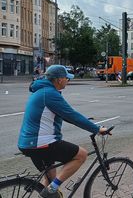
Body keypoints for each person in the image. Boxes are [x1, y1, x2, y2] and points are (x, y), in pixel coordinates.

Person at [18, 65, 107, 198]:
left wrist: (85, 122)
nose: (68, 80)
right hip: (40, 142)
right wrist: (97, 129)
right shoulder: (49, 94)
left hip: (28, 142)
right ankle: (53, 189)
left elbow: (64, 115)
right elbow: (71, 114)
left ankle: (48, 191)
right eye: (67, 78)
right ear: (59, 79)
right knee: (81, 155)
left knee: (50, 177)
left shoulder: (42, 90)